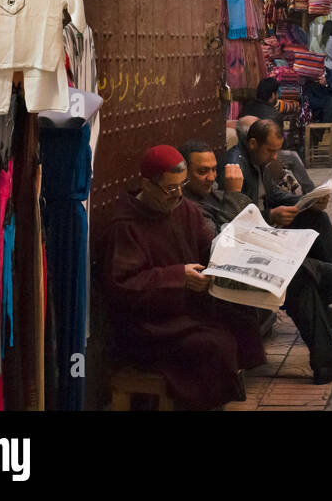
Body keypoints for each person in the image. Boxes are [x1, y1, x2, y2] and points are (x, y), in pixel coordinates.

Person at [97, 145, 268, 409]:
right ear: (147, 184)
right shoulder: (126, 225)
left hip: (185, 310)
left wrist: (235, 260)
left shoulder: (184, 209)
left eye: (181, 185)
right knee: (212, 346)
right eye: (169, 188)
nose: (177, 194)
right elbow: (124, 285)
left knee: (242, 321)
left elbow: (208, 246)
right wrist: (179, 276)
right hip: (151, 326)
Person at [225, 120, 332, 319]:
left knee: (317, 217)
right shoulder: (237, 165)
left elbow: (274, 193)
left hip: (265, 225)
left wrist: (306, 201)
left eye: (277, 150)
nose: (274, 156)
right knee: (310, 246)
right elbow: (236, 214)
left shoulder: (259, 160)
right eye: (270, 150)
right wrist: (270, 215)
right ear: (253, 143)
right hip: (253, 234)